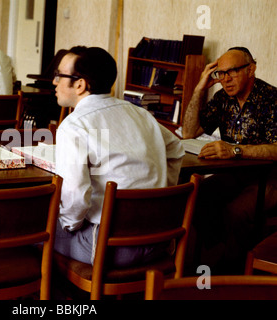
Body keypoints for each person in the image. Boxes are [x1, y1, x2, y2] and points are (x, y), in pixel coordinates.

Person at [52, 46, 185, 267]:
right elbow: (176, 149)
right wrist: (160, 190)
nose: (54, 82)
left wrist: (69, 225)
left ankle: (67, 297)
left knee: (32, 231)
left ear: (80, 84)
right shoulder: (140, 113)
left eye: (59, 76)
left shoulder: (74, 125)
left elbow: (75, 195)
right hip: (159, 241)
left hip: (109, 248)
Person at [182, 47, 277, 272]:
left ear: (251, 69)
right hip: (235, 175)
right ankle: (219, 256)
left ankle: (231, 272)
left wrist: (235, 151)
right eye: (220, 74)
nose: (225, 79)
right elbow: (189, 131)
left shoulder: (271, 98)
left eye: (231, 71)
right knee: (196, 197)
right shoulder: (222, 98)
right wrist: (198, 89)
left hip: (272, 178)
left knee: (236, 211)